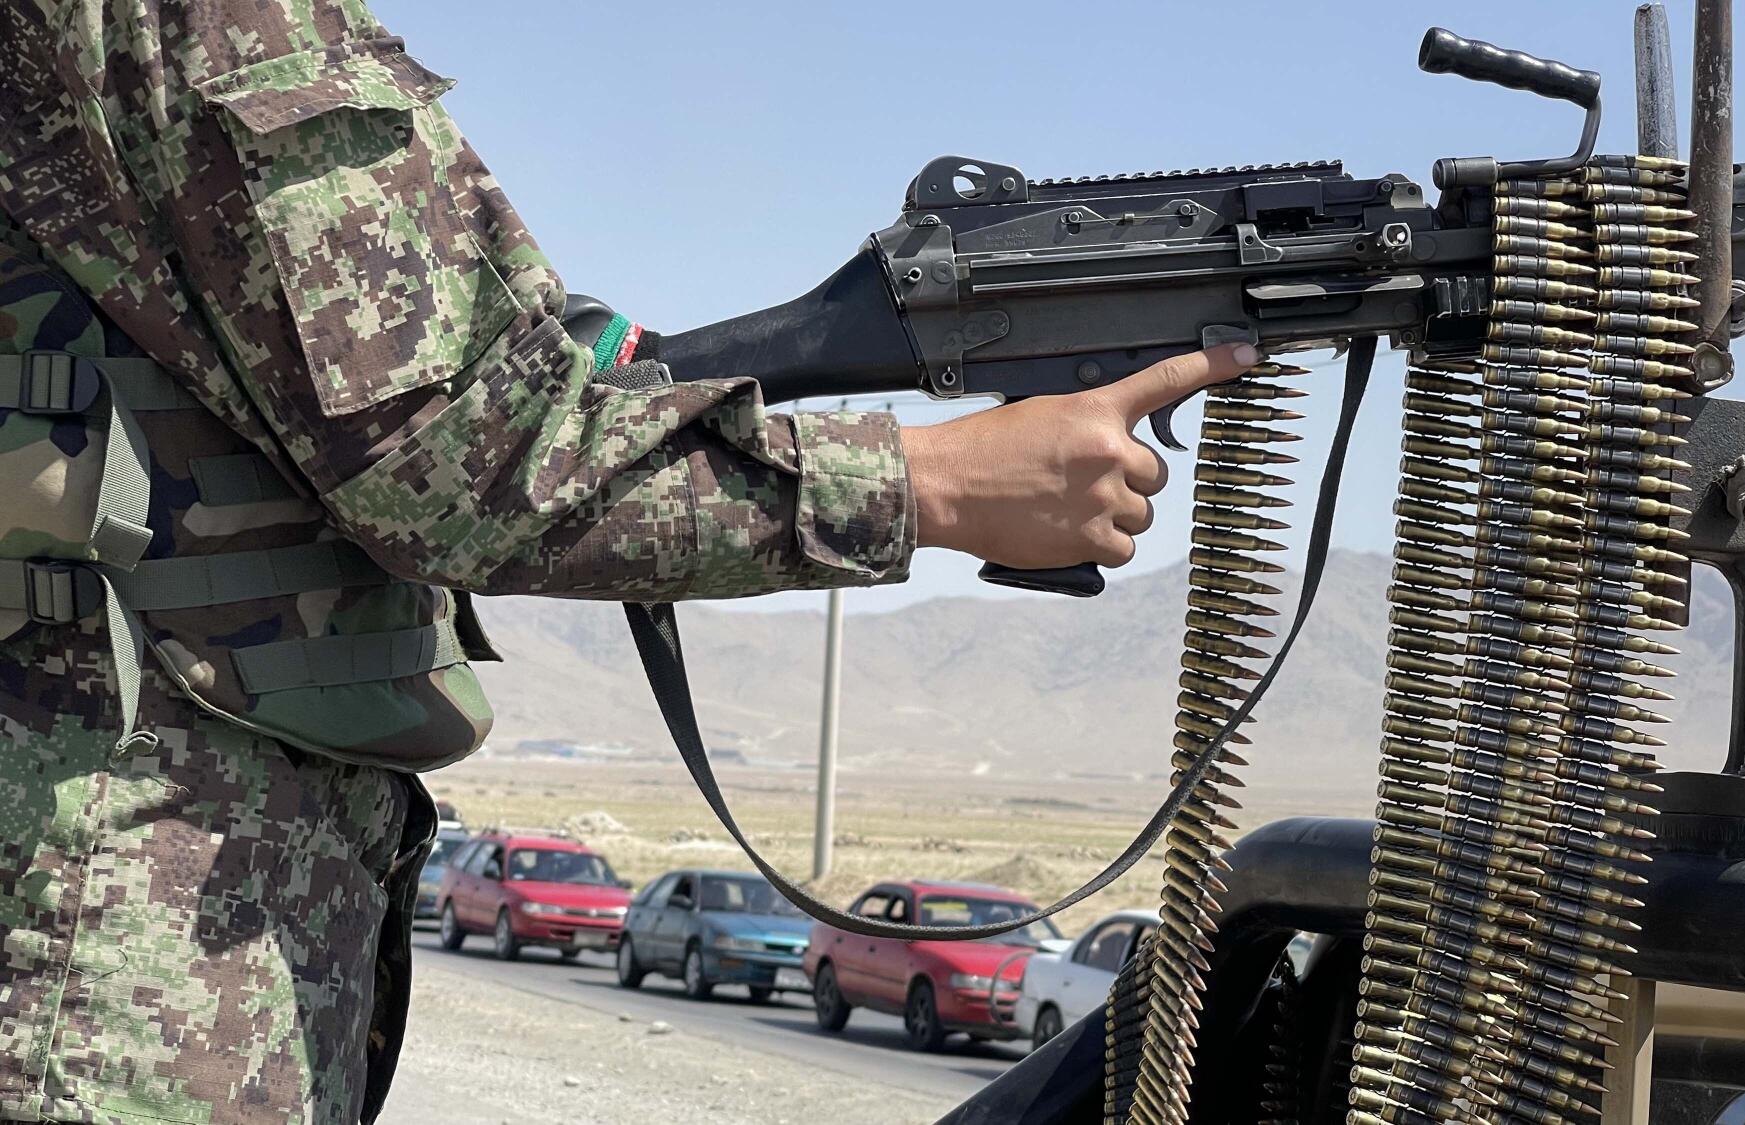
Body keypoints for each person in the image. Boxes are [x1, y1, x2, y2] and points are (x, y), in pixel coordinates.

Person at [0, 3, 1258, 1122]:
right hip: (113, 935)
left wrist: (625, 372)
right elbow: (466, 459)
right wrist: (934, 485)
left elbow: (454, 377)